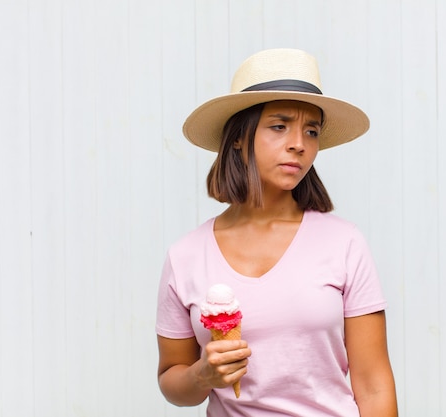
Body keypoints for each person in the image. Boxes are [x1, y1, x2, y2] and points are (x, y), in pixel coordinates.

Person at [156, 48, 398, 417]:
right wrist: (203, 375)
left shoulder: (344, 243)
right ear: (238, 137)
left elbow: (374, 385)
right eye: (279, 126)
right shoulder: (186, 255)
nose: (299, 143)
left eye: (311, 131)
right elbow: (173, 383)